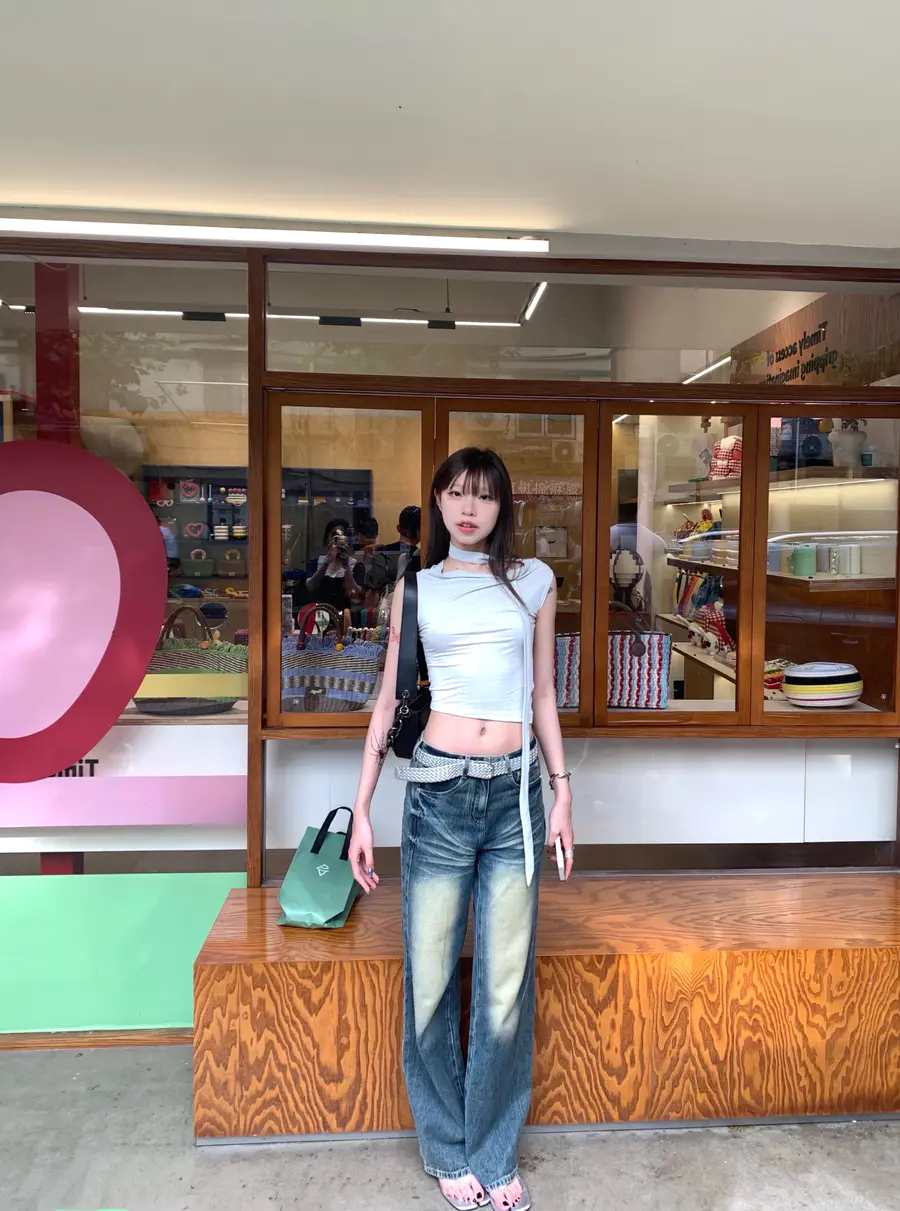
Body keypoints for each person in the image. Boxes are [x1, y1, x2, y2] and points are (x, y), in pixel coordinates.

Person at [349, 448, 574, 1211]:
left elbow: (543, 694)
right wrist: (361, 809)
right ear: (439, 502)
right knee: (431, 980)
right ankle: (447, 1146)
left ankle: (494, 1150)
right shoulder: (416, 589)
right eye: (455, 493)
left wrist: (562, 792)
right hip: (438, 794)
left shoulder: (534, 581)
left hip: (514, 797)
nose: (468, 507)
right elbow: (387, 703)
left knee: (505, 984)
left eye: (483, 495)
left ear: (502, 505)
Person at [305, 518, 364, 612]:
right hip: (319, 614)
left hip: (345, 614)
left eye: (342, 535)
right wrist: (326, 563)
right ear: (326, 539)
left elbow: (357, 596)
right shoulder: (315, 562)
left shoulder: (356, 565)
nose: (337, 539)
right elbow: (310, 586)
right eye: (333, 535)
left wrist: (346, 565)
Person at [367, 504, 421, 592]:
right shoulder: (422, 558)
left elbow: (373, 585)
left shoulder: (381, 553)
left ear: (398, 528)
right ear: (420, 531)